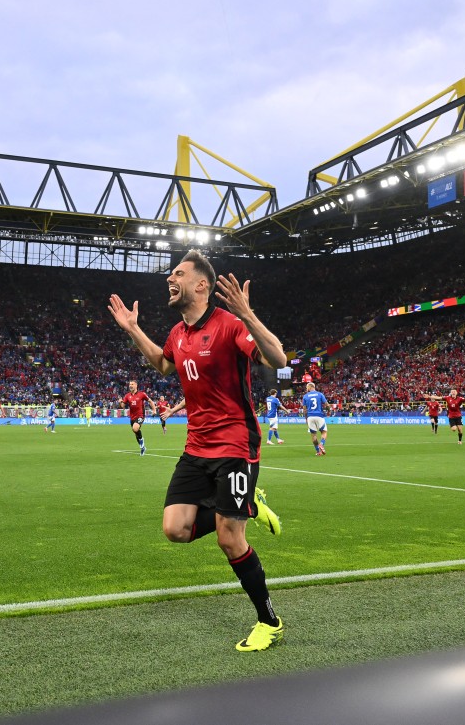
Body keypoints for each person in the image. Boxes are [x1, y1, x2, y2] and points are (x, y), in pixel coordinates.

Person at [108, 249, 287, 652]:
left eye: (178, 273)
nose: (170, 279)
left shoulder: (229, 325)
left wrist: (248, 314)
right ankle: (247, 506)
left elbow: (277, 358)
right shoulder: (177, 332)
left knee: (229, 538)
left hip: (236, 445)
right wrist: (133, 330)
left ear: (201, 284)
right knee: (176, 530)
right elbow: (163, 365)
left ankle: (269, 621)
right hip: (197, 447)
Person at [121, 380, 152, 456]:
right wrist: (121, 401)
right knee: (135, 432)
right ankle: (142, 447)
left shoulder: (142, 394)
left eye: (132, 384)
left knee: (135, 428)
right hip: (132, 417)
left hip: (140, 415)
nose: (130, 385)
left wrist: (154, 410)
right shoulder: (127, 395)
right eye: (129, 384)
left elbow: (150, 401)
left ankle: (142, 442)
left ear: (136, 385)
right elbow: (122, 406)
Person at [302, 382, 329, 456]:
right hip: (319, 415)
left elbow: (304, 409)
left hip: (310, 417)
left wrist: (306, 418)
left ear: (310, 387)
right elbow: (326, 404)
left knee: (313, 435)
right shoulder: (320, 394)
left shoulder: (305, 396)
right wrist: (329, 411)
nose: (306, 389)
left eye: (307, 387)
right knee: (324, 431)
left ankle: (318, 451)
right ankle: (322, 444)